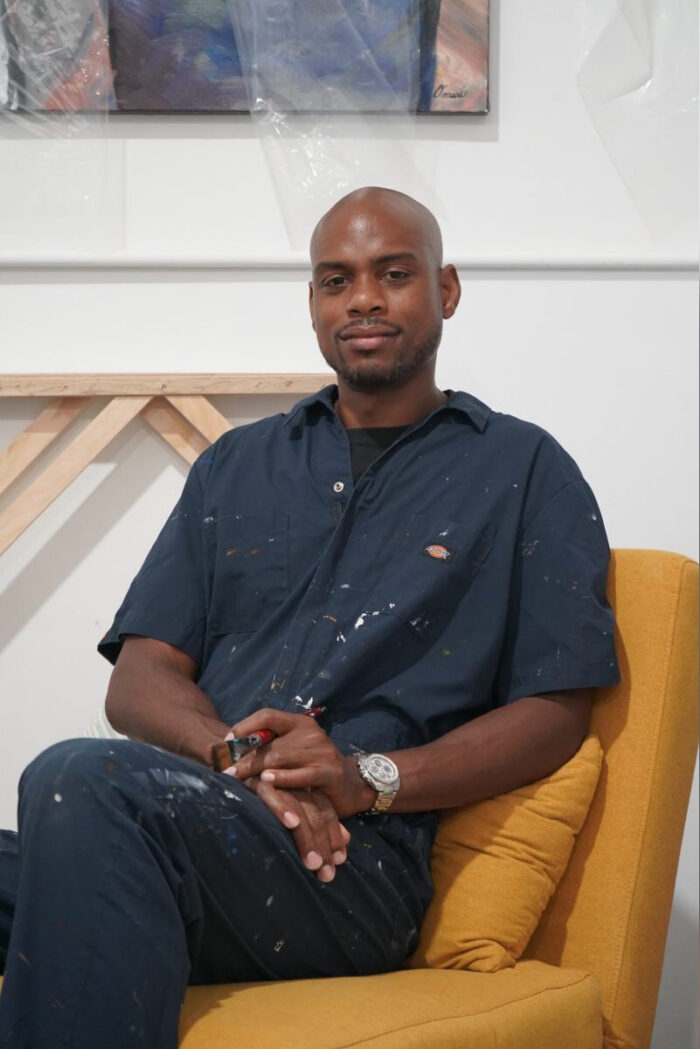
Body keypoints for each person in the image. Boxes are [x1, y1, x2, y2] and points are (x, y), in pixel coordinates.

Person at [0, 187, 619, 1048]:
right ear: (314, 305)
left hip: (351, 869)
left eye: (392, 274)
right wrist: (242, 759)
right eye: (336, 280)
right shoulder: (237, 465)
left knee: (80, 780)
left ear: (446, 291)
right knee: (92, 821)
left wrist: (367, 777)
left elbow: (555, 713)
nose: (362, 297)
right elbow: (140, 678)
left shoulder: (523, 471)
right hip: (200, 818)